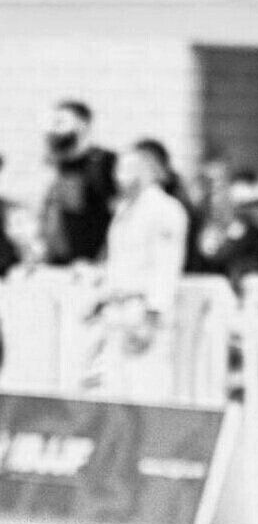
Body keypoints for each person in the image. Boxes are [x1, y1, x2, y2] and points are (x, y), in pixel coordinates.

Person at [88, 140, 189, 399]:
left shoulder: (165, 210)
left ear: (147, 171)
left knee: (147, 388)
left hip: (142, 309)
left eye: (126, 169)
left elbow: (166, 267)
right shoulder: (124, 209)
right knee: (114, 389)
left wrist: (152, 315)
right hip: (117, 309)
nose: (118, 177)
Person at [40, 99, 118, 266]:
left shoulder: (105, 163)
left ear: (82, 125)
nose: (53, 130)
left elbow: (119, 214)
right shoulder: (58, 165)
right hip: (58, 262)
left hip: (90, 264)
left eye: (60, 122)